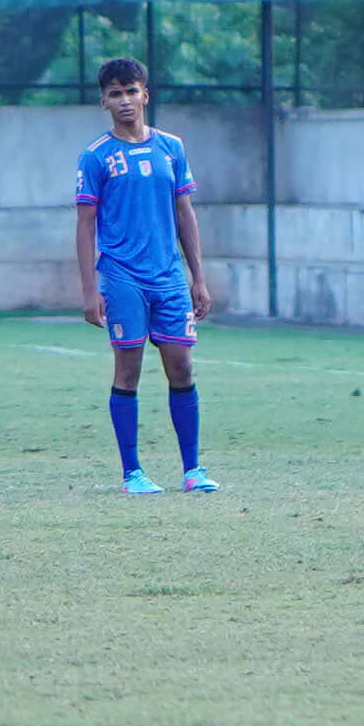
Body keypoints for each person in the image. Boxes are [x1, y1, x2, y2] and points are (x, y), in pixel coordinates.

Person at [78, 55, 223, 495]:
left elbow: (185, 213)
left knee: (182, 366)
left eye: (131, 91)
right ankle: (132, 473)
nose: (124, 100)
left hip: (169, 276)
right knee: (129, 368)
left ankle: (193, 470)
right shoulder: (96, 157)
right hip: (122, 275)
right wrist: (89, 290)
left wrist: (198, 277)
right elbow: (85, 225)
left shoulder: (171, 148)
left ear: (145, 94)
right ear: (104, 102)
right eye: (115, 94)